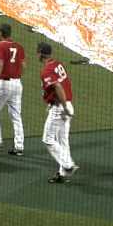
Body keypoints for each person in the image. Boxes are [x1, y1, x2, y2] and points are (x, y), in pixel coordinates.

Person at [38, 42, 79, 183]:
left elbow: (58, 86)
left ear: (40, 53)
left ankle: (68, 165)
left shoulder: (46, 70)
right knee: (63, 140)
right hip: (66, 104)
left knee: (48, 139)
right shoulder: (58, 64)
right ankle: (63, 174)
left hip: (61, 108)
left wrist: (62, 106)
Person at [0, 24, 26, 156]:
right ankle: (19, 147)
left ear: (0, 33)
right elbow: (23, 65)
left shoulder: (0, 45)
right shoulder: (19, 46)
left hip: (3, 83)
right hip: (17, 83)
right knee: (16, 115)